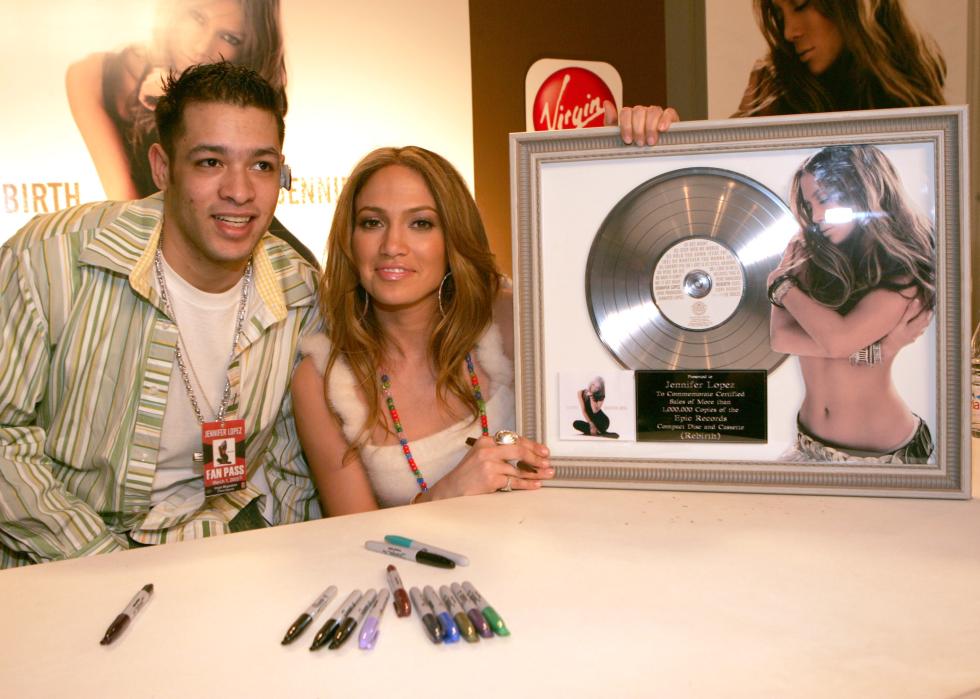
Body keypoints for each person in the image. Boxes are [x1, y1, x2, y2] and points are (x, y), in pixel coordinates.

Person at [0, 62, 322, 568]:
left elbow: (288, 461)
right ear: (162, 167)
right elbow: (4, 439)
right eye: (211, 162)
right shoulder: (49, 259)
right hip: (63, 555)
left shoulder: (298, 289)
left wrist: (288, 568)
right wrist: (105, 563)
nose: (239, 191)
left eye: (261, 166)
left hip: (220, 550)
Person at [291, 146, 554, 512]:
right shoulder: (322, 380)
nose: (392, 246)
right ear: (350, 240)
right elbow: (351, 536)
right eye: (372, 222)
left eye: (421, 223)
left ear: (453, 237)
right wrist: (445, 493)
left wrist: (633, 144)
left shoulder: (510, 321)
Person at [65, 0, 317, 266]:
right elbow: (126, 212)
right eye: (196, 18)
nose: (202, 47)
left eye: (229, 37)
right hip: (150, 251)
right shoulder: (93, 76)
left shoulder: (297, 274)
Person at [767, 144, 935, 462]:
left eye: (826, 199)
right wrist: (878, 349)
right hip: (808, 445)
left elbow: (838, 341)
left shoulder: (903, 269)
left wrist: (780, 286)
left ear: (865, 191)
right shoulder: (806, 251)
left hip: (886, 455)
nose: (816, 216)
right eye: (807, 203)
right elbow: (780, 338)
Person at [733, 0, 946, 116]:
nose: (789, 32)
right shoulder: (773, 88)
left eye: (800, 5)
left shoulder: (911, 87)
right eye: (781, 16)